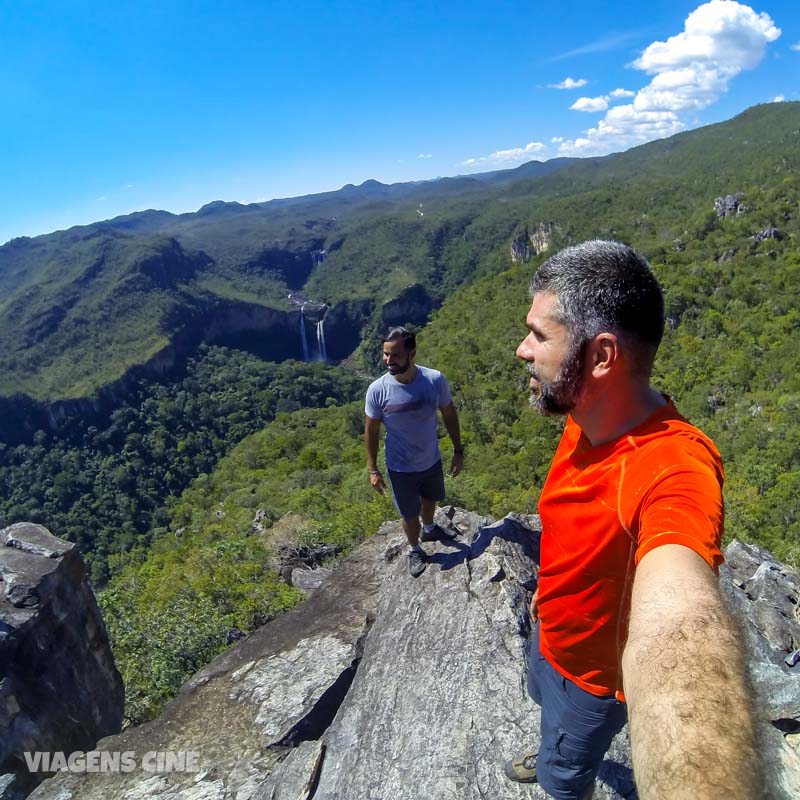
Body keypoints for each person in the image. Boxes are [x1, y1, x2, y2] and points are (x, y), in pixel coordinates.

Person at [505, 241, 763, 800]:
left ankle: (561, 765)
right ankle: (556, 745)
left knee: (563, 776)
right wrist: (548, 595)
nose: (523, 350)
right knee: (542, 706)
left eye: (540, 335)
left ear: (601, 357)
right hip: (550, 631)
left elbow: (682, 621)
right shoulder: (589, 412)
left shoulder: (673, 468)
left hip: (591, 683)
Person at [365, 326, 464, 577]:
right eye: (385, 354)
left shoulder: (434, 380)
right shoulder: (378, 390)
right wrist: (373, 469)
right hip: (400, 467)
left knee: (430, 499)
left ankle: (429, 528)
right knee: (409, 515)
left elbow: (449, 414)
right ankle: (415, 549)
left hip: (430, 459)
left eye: (395, 355)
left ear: (412, 354)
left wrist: (458, 450)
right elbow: (372, 431)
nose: (388, 361)